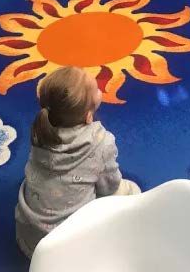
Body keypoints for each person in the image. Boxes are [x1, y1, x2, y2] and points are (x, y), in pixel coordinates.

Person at [15, 66, 140, 258]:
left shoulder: (40, 130)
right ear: (89, 116)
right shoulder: (101, 142)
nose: (100, 90)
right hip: (69, 249)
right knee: (129, 190)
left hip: (31, 241)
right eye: (97, 90)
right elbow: (109, 187)